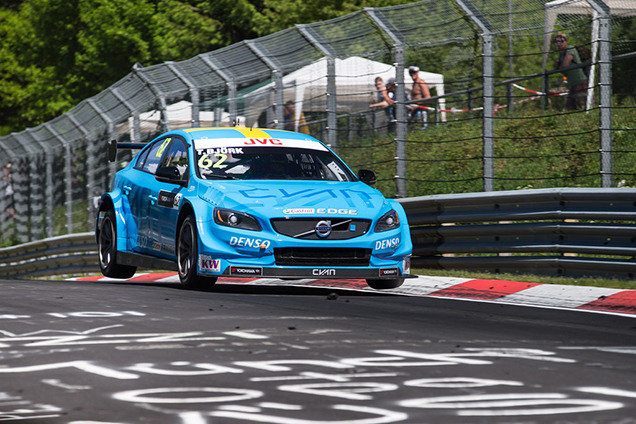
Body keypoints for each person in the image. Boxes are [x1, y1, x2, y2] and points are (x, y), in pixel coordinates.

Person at [553, 32, 588, 111]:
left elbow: (565, 65)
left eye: (562, 41)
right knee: (570, 106)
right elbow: (564, 72)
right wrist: (557, 66)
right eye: (557, 42)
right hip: (572, 84)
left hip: (581, 82)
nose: (559, 44)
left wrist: (560, 66)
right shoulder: (561, 56)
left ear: (566, 42)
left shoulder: (570, 49)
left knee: (582, 105)